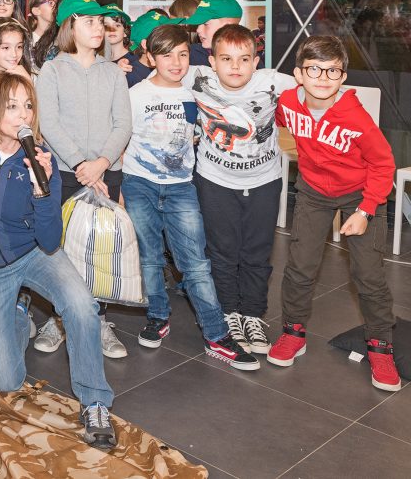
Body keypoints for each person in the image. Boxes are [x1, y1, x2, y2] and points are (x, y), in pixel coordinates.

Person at [0, 73, 117, 450]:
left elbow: (49, 239)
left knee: (82, 305)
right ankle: (20, 314)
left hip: (34, 254)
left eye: (28, 105)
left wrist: (42, 190)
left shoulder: (41, 160)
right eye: (12, 106)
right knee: (6, 381)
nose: (23, 114)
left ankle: (95, 402)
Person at [121, 25, 259, 370]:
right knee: (149, 258)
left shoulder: (195, 93)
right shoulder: (135, 95)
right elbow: (121, 140)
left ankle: (216, 334)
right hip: (139, 184)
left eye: (183, 54)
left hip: (182, 186)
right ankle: (157, 315)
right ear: (150, 56)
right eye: (166, 55)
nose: (176, 62)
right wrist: (120, 189)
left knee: (195, 263)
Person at [268, 36, 399, 391]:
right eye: (314, 69)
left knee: (368, 275)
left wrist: (366, 210)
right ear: (299, 74)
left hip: (361, 196)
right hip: (313, 192)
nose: (323, 78)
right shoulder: (288, 103)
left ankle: (381, 346)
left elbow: (383, 164)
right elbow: (278, 118)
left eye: (332, 71)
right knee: (300, 267)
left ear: (343, 77)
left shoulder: (356, 118)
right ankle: (293, 332)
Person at [187, 25, 296, 354]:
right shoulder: (197, 78)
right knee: (222, 252)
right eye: (226, 59)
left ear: (256, 61)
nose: (235, 66)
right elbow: (159, 71)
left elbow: (316, 84)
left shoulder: (272, 81)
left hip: (264, 181)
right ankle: (229, 312)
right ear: (212, 61)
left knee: (257, 252)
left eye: (244, 59)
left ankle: (252, 314)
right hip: (215, 181)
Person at [36, 0, 131, 358]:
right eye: (88, 21)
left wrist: (101, 163)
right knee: (64, 249)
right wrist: (80, 164)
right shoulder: (53, 70)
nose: (98, 28)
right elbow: (49, 124)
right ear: (70, 26)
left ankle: (98, 319)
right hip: (66, 172)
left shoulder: (113, 72)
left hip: (107, 172)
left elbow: (123, 124)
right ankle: (59, 318)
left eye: (100, 21)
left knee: (101, 249)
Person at [184, 0, 243, 68]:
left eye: (205, 24)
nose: (198, 30)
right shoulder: (189, 54)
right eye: (198, 24)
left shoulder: (247, 55)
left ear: (227, 27)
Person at [27, 0, 56, 67]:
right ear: (36, 11)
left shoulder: (60, 38)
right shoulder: (27, 40)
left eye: (57, 3)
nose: (56, 6)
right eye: (51, 3)